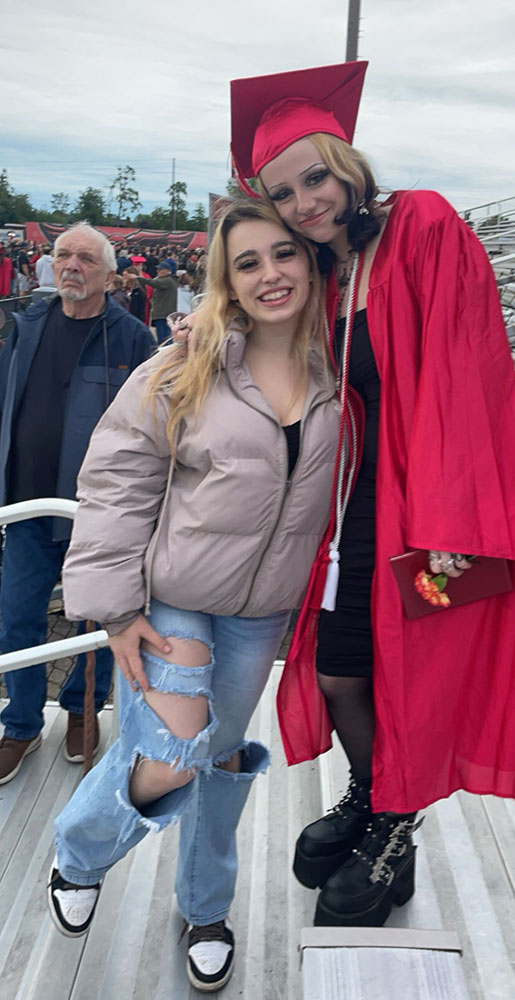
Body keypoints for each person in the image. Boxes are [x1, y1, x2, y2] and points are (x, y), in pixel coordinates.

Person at [177, 60, 515, 928]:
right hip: (351, 509)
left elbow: (467, 372)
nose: (304, 202)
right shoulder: (322, 274)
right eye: (284, 193)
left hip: (433, 507)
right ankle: (377, 797)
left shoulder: (421, 224)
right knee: (341, 671)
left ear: (346, 164)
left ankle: (391, 830)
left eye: (314, 177)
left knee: (417, 671)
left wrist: (450, 523)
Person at [49, 201, 339, 993]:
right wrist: (114, 608)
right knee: (175, 754)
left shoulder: (343, 372)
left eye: (284, 254)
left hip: (260, 611)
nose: (269, 274)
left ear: (312, 263)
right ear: (227, 281)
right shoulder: (185, 365)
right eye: (247, 262)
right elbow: (117, 480)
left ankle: (206, 907)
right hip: (174, 594)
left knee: (216, 761)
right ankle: (79, 854)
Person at [0, 223, 154, 785]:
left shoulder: (133, 338)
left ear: (109, 276)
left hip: (99, 515)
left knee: (98, 622)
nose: (71, 265)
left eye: (86, 258)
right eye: (63, 254)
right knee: (16, 618)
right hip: (26, 506)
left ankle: (82, 709)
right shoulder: (26, 326)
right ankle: (20, 724)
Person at [136, 260, 178, 343]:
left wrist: (138, 278)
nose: (157, 271)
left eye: (159, 269)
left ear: (166, 270)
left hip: (163, 314)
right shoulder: (170, 280)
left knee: (163, 339)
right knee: (165, 337)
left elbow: (153, 283)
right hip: (164, 314)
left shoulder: (167, 281)